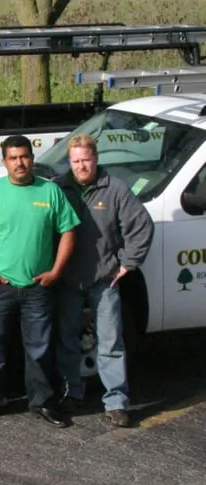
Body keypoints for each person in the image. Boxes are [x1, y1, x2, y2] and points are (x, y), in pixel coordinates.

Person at [0, 135, 79, 427]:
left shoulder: (50, 191)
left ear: (32, 158)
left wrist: (56, 270)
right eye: (13, 158)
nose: (20, 163)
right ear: (4, 161)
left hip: (37, 288)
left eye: (25, 156)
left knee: (39, 349)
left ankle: (42, 402)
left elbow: (68, 232)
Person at [54, 134, 153, 428]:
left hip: (104, 280)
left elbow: (141, 226)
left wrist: (128, 263)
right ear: (69, 162)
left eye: (86, 160)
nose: (81, 166)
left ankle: (116, 402)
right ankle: (72, 393)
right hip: (68, 281)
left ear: (95, 158)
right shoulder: (60, 188)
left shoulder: (116, 189)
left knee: (111, 343)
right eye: (75, 161)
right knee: (68, 341)